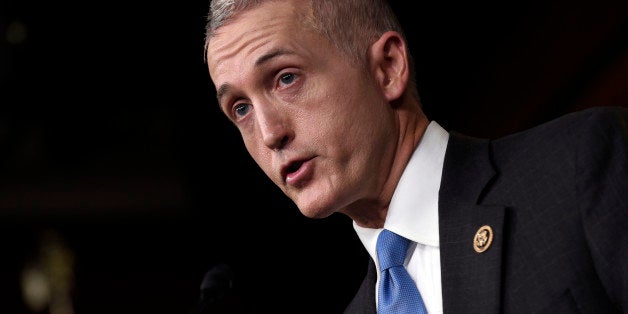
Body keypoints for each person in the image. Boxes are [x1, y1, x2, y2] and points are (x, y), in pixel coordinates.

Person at [202, 0, 628, 313]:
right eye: (240, 108)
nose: (270, 133)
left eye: (286, 78)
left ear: (388, 68)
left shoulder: (578, 167)